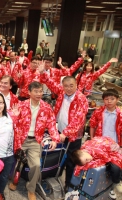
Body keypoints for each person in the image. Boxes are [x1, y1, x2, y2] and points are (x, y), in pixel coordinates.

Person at [38, 62, 88, 191]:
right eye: (66, 86)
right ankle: (53, 174)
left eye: (71, 86)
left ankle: (69, 184)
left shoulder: (81, 99)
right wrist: (43, 72)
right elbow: (49, 82)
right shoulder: (61, 92)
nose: (69, 88)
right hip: (58, 130)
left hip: (73, 136)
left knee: (71, 159)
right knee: (57, 155)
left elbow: (79, 119)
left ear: (76, 85)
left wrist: (65, 133)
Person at [15, 81, 60, 200]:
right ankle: (15, 180)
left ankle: (31, 188)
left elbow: (51, 124)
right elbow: (13, 122)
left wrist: (55, 139)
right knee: (16, 162)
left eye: (40, 91)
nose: (39, 94)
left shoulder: (46, 107)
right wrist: (14, 116)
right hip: (21, 139)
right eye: (36, 91)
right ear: (29, 92)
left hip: (35, 140)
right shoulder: (21, 105)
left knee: (36, 165)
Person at [0, 92, 20, 200]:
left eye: (0, 103)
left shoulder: (10, 116)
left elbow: (17, 131)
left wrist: (16, 117)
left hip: (9, 154)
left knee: (5, 176)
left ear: (4, 103)